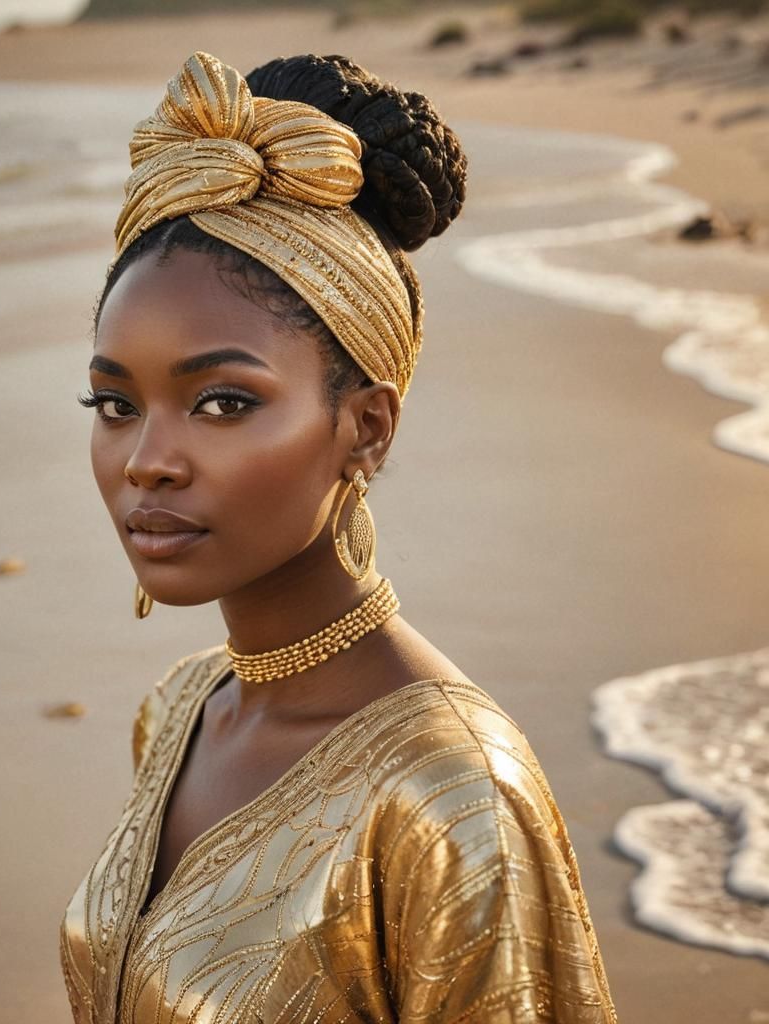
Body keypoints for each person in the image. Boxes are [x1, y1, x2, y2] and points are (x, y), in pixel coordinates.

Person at [60, 50, 618, 1024]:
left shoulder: (452, 792)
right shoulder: (180, 711)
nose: (147, 458)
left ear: (365, 425)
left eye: (222, 401)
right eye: (115, 401)